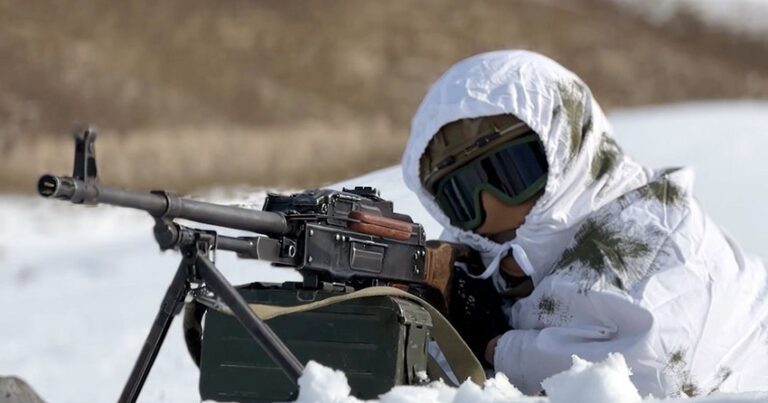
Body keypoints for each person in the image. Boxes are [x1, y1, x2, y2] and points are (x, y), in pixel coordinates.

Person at [401, 50, 768, 397]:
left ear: (570, 150)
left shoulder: (657, 242)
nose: (489, 204)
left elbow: (653, 371)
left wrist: (496, 347)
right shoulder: (482, 253)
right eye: (461, 196)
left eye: (510, 173)